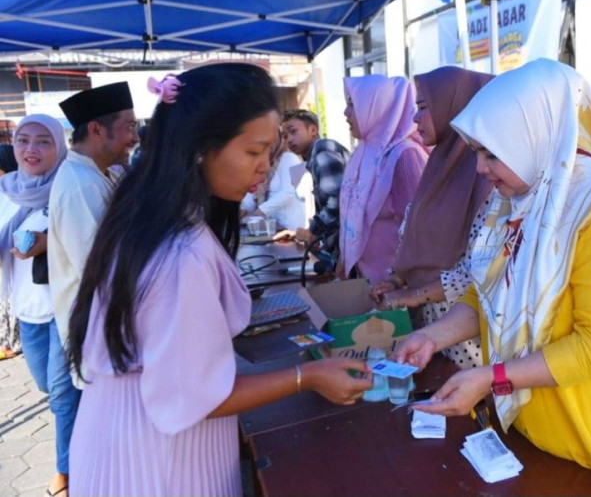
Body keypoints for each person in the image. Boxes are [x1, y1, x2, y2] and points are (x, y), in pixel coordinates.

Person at [65, 64, 371, 496]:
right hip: (156, 463)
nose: (265, 166)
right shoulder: (180, 252)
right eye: (253, 152)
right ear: (200, 149)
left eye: (271, 151)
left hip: (132, 437)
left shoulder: (153, 215)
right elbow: (192, 396)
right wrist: (309, 377)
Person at [393, 59, 591, 496]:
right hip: (538, 433)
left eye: (493, 152)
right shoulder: (518, 200)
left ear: (536, 137)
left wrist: (494, 378)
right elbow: (487, 292)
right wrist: (434, 335)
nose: (481, 170)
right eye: (477, 152)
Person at [370, 66, 494, 369]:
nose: (415, 118)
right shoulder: (437, 167)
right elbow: (414, 236)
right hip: (426, 329)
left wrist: (413, 294)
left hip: (464, 337)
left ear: (457, 107)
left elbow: (479, 268)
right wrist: (397, 279)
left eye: (424, 107)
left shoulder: (490, 177)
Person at [0, 114, 79, 497]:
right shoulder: (6, 191)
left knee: (62, 395)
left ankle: (67, 470)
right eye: (24, 140)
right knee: (48, 386)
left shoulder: (70, 188)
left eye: (44, 141)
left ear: (60, 147)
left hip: (65, 309)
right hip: (25, 310)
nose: (31, 149)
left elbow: (91, 239)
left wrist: (52, 239)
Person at [48, 82, 139, 348]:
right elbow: (101, 271)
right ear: (97, 130)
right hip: (99, 335)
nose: (136, 137)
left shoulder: (105, 172)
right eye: (130, 127)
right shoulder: (80, 185)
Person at [339, 75, 427, 283]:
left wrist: (399, 282)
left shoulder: (404, 156)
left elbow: (416, 233)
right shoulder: (363, 153)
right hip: (364, 284)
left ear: (378, 107)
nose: (346, 113)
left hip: (394, 290)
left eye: (353, 104)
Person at [280, 109, 349, 270]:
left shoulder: (322, 149)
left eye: (293, 131)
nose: (289, 139)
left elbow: (336, 199)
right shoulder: (312, 157)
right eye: (285, 136)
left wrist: (313, 232)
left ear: (313, 130)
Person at [240, 123, 307, 231]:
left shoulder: (289, 158)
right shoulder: (264, 162)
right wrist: (242, 209)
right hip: (269, 228)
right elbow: (252, 194)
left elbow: (288, 193)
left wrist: (260, 211)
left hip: (289, 227)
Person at [0, 143, 21, 360]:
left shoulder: (17, 194)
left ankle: (14, 343)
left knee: (11, 298)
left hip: (17, 261)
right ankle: (7, 341)